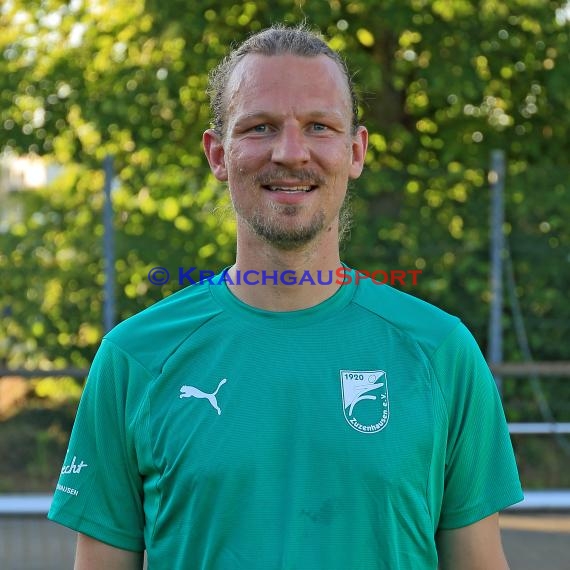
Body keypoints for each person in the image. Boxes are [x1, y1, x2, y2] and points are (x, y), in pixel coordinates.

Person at [48, 24, 523, 569]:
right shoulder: (135, 358)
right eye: (260, 127)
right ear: (218, 154)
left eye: (319, 126)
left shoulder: (441, 353)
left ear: (356, 151)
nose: (290, 152)